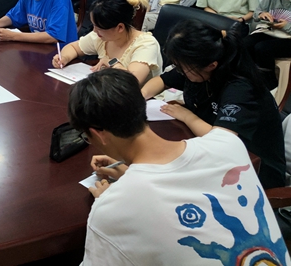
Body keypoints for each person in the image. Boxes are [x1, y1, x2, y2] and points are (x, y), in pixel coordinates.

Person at [69, 68, 290, 265]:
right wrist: (129, 178)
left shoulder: (113, 209)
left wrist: (111, 201)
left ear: (99, 134)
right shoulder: (228, 143)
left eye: (87, 137)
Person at [141, 19, 286, 189]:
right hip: (212, 151)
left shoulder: (240, 88)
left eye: (182, 68)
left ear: (211, 66)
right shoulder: (199, 65)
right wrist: (140, 98)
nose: (180, 72)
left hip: (253, 172)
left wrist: (188, 117)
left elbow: (221, 141)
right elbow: (162, 81)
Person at [53, 0, 161, 85]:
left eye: (99, 27)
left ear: (120, 27)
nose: (94, 31)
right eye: (93, 25)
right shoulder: (100, 36)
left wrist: (112, 62)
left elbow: (133, 81)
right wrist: (65, 58)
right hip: (108, 92)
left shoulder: (146, 44)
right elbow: (73, 47)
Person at [244, 0, 291, 90]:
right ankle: (249, 77)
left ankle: (269, 83)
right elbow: (257, 12)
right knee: (245, 43)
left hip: (288, 38)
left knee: (262, 48)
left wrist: (286, 26)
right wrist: (262, 15)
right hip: (272, 32)